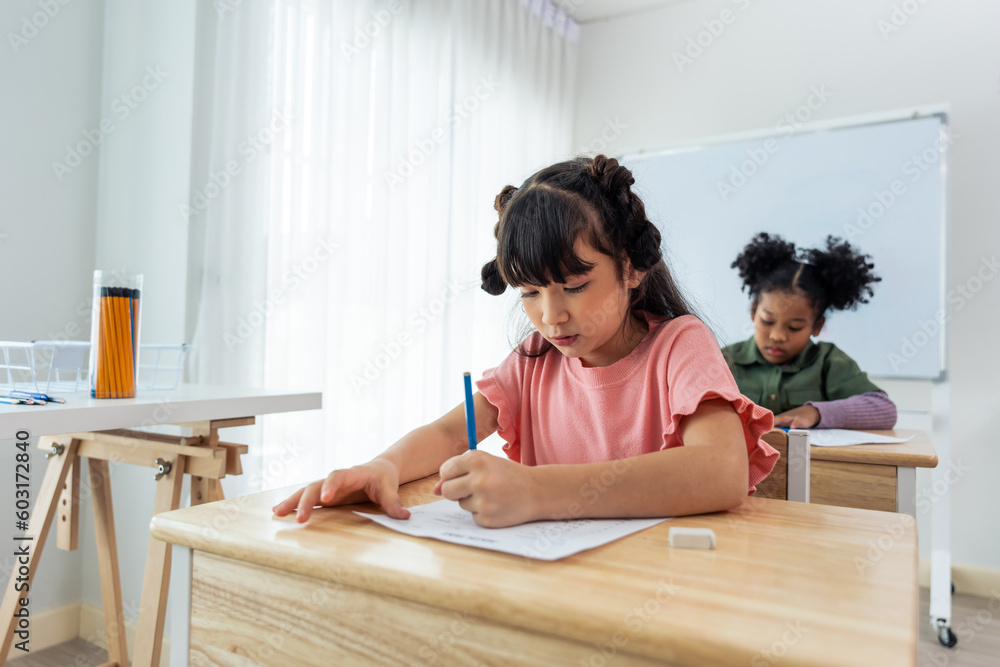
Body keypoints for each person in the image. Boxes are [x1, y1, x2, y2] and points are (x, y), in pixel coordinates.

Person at [274, 155, 778, 528]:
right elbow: (450, 434)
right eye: (530, 292)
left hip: (659, 584)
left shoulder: (678, 346)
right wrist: (382, 465)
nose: (551, 317)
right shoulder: (534, 362)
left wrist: (536, 491)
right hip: (550, 585)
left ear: (630, 266)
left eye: (576, 287)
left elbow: (720, 471)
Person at [722, 232, 897, 430]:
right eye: (767, 321)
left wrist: (815, 412)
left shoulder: (828, 361)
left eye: (794, 327)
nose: (777, 336)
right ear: (753, 312)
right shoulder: (724, 360)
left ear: (817, 326)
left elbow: (885, 410)